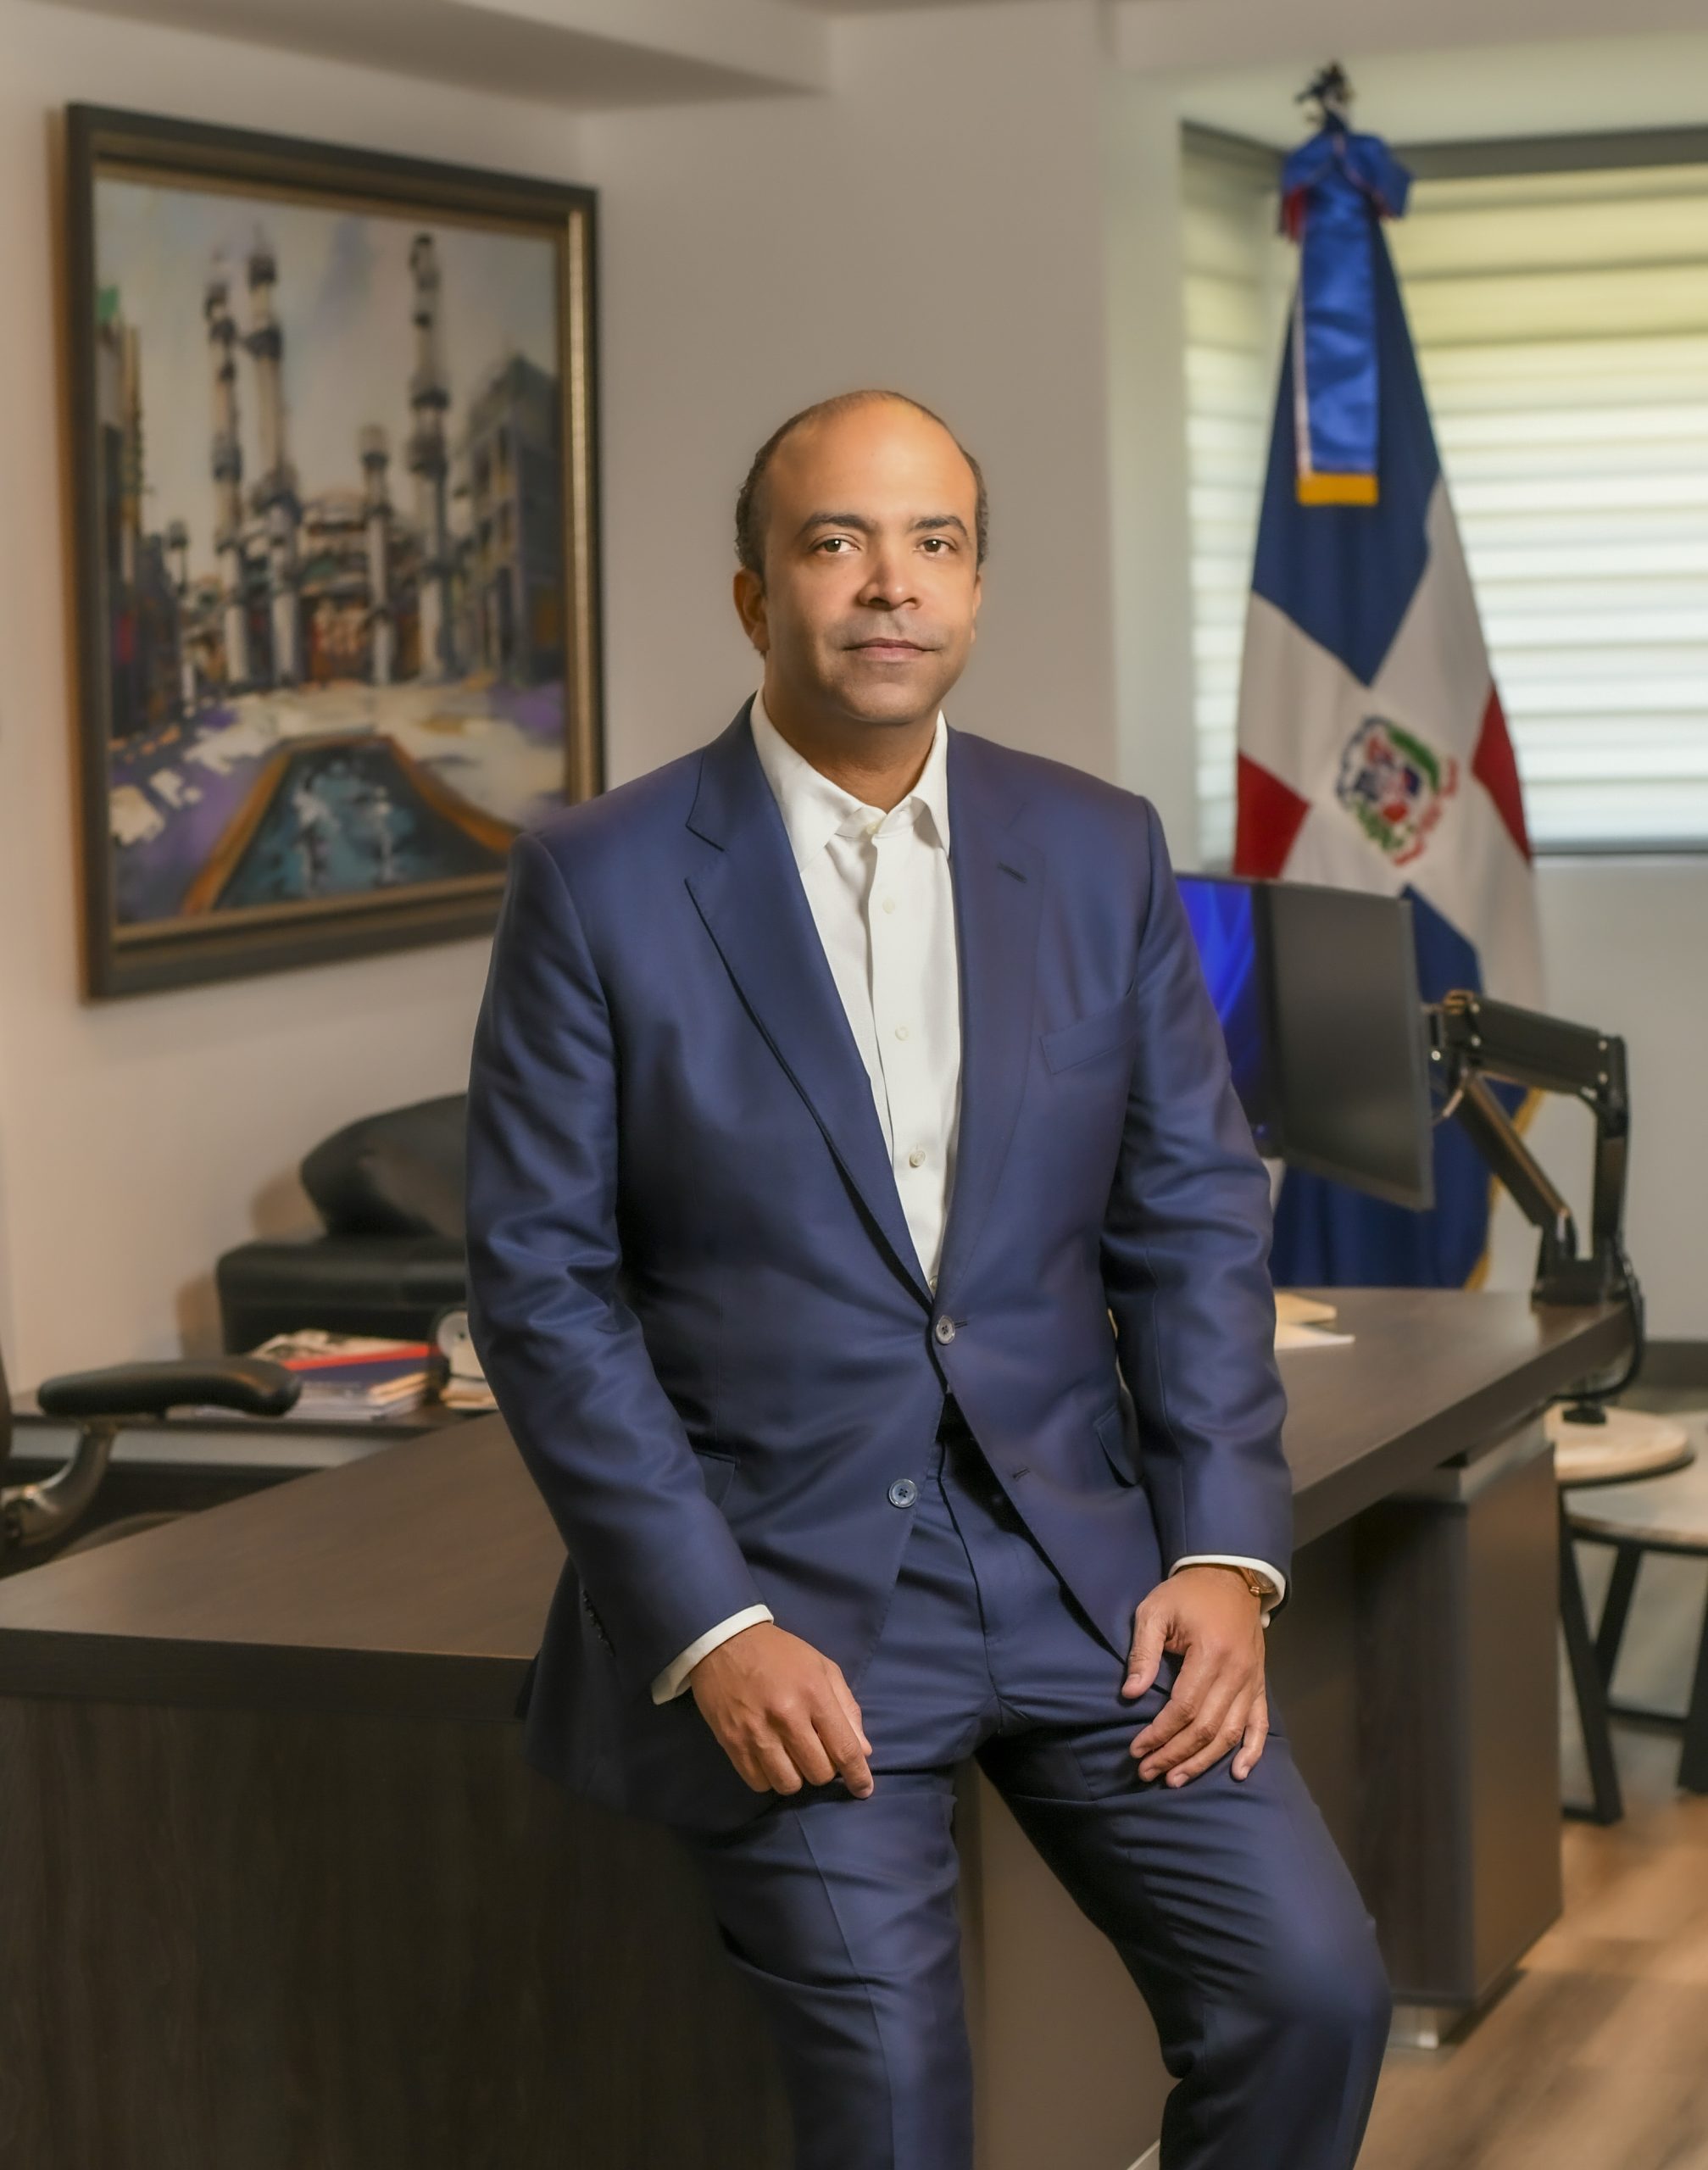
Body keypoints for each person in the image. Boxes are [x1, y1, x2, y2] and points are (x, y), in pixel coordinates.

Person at [464, 389, 1391, 2170]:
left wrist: (1224, 1549)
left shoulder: (1097, 845)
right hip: (792, 1595)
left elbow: (1192, 1216)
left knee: (1313, 1995)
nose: (890, 584)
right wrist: (712, 1623)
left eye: (934, 542)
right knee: (895, 2119)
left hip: (1087, 1574)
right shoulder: (598, 877)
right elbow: (542, 1284)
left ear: (974, 586)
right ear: (755, 595)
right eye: (837, 542)